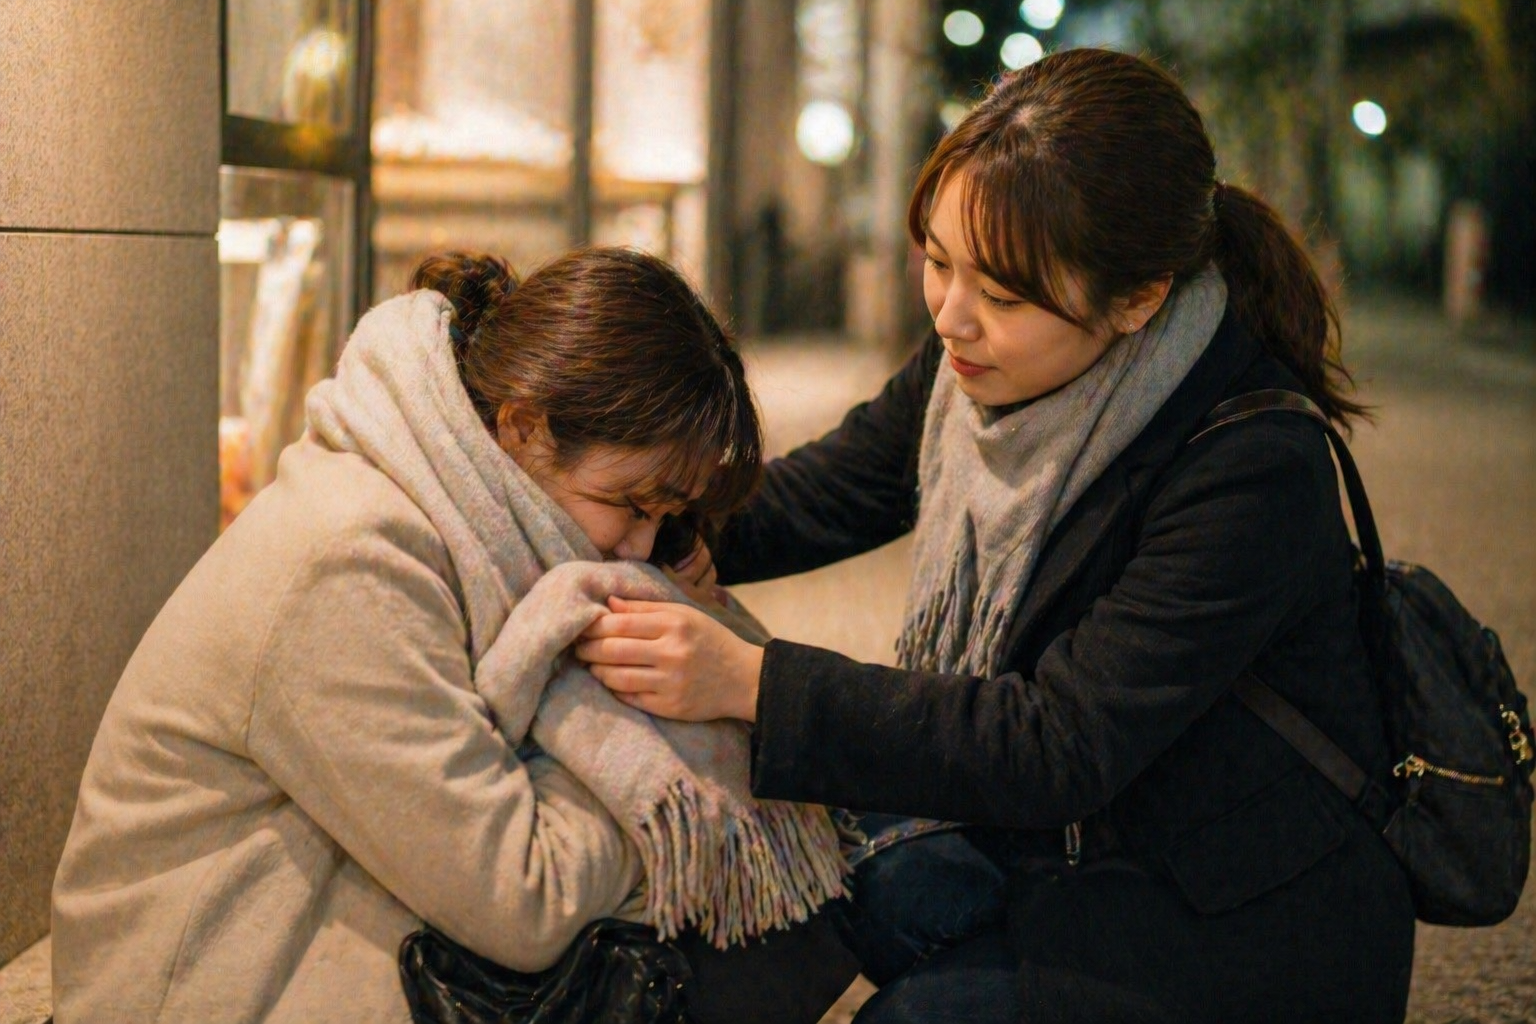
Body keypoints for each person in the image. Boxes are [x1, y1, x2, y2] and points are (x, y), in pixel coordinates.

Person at [577, 48, 1416, 1023]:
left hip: (1226, 918)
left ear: (1138, 298)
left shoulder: (1251, 465)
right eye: (938, 262)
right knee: (776, 880)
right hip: (1062, 843)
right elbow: (836, 487)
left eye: (1005, 297)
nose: (952, 317)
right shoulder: (982, 369)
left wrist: (751, 682)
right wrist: (647, 513)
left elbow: (1058, 741)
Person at [50, 248, 857, 1024]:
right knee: (763, 944)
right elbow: (523, 900)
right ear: (523, 425)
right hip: (219, 977)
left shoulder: (468, 517)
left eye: (666, 517)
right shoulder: (352, 561)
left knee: (812, 917)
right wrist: (657, 782)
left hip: (344, 923)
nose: (639, 550)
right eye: (630, 505)